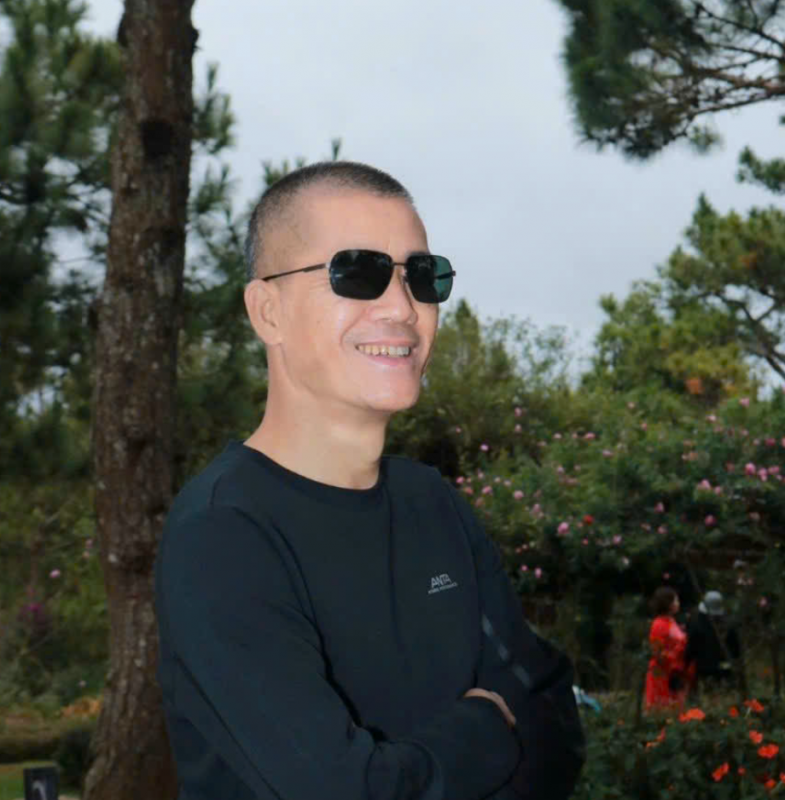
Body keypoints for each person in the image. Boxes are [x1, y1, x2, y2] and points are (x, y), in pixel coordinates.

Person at [154, 161, 584, 800]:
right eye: (357, 272)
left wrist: (423, 767)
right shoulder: (222, 535)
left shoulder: (430, 503)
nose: (403, 308)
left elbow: (551, 721)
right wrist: (487, 728)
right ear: (267, 311)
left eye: (422, 276)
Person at [644, 587, 693, 710]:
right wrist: (674, 657)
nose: (678, 603)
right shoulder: (658, 624)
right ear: (667, 603)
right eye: (676, 600)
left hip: (674, 673)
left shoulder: (671, 621)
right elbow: (657, 652)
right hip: (662, 674)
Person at [684, 590, 741, 694]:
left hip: (705, 670)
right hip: (722, 670)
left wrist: (686, 663)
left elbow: (690, 649)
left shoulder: (696, 624)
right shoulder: (728, 624)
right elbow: (736, 651)